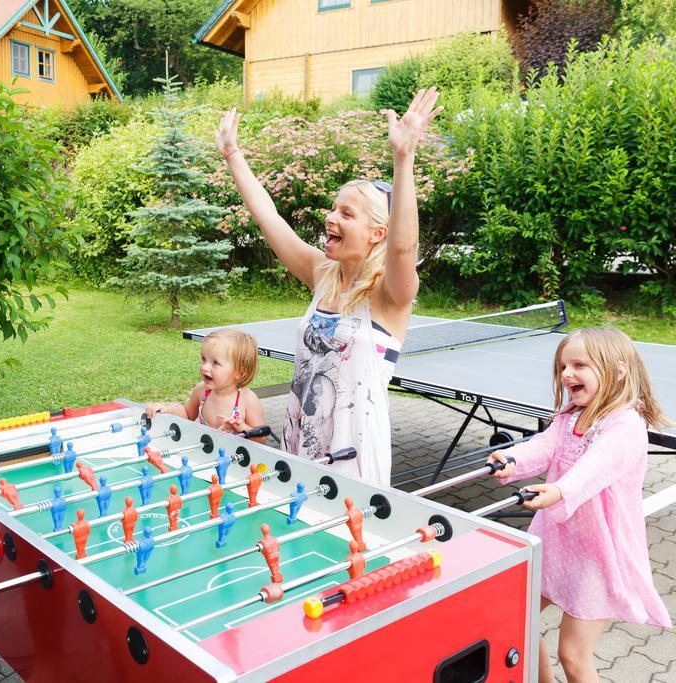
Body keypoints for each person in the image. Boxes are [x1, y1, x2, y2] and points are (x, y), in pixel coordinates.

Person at [215, 89, 443, 485]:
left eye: (346, 213)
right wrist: (232, 155)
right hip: (300, 438)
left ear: (377, 233)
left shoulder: (389, 294)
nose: (330, 217)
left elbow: (404, 246)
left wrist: (403, 158)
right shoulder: (323, 274)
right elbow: (269, 218)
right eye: (334, 208)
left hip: (352, 450)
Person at [488, 327, 672, 683]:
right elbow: (544, 445)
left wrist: (560, 490)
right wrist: (511, 458)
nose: (567, 374)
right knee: (516, 617)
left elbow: (595, 468)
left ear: (617, 371)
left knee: (573, 655)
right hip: (556, 541)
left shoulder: (625, 425)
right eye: (562, 366)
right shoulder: (571, 415)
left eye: (579, 365)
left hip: (597, 552)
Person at [145, 328, 265, 441]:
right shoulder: (202, 390)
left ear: (240, 372)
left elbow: (261, 439)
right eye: (204, 359)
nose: (205, 367)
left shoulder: (248, 399)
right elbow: (187, 414)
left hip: (235, 460)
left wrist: (242, 428)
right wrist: (167, 409)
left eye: (215, 363)